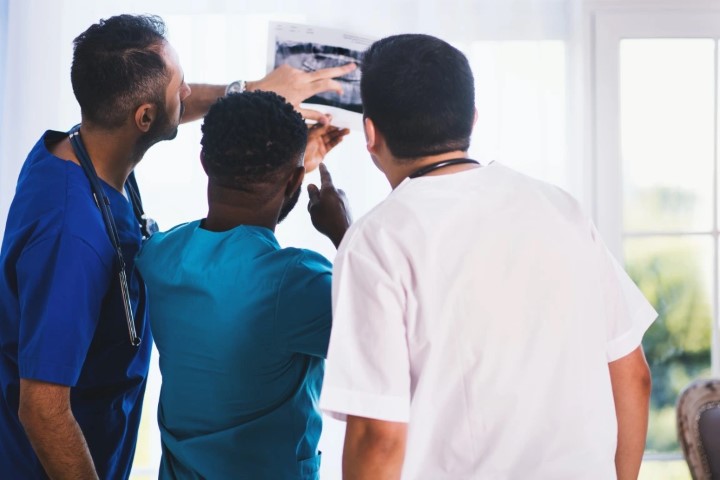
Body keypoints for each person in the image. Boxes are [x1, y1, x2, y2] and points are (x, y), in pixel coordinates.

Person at [0, 13, 354, 479]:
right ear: (144, 117)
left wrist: (254, 98)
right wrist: (338, 228)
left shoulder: (82, 153)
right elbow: (43, 409)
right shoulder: (72, 235)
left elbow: (162, 114)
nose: (189, 95)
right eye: (180, 86)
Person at [320, 34, 656, 480]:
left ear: (370, 132)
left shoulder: (375, 240)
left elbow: (378, 436)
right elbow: (633, 377)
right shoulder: (561, 209)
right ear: (472, 120)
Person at [135, 91, 351, 479]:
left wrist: (292, 170)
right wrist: (345, 235)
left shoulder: (158, 256)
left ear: (204, 162)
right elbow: (388, 337)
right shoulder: (295, 283)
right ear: (294, 181)